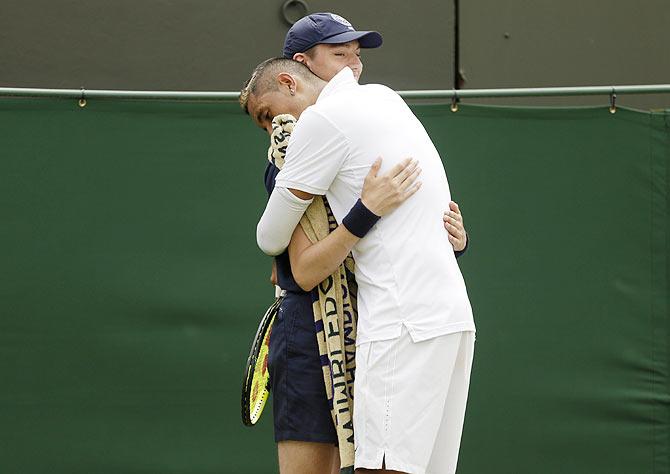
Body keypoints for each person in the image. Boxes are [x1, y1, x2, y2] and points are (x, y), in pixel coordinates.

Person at [245, 13, 469, 474]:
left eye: (355, 51)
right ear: (300, 64)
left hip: (399, 320)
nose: (353, 62)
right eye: (339, 51)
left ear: (291, 78)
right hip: (448, 319)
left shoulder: (324, 120)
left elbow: (269, 238)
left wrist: (367, 213)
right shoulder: (388, 101)